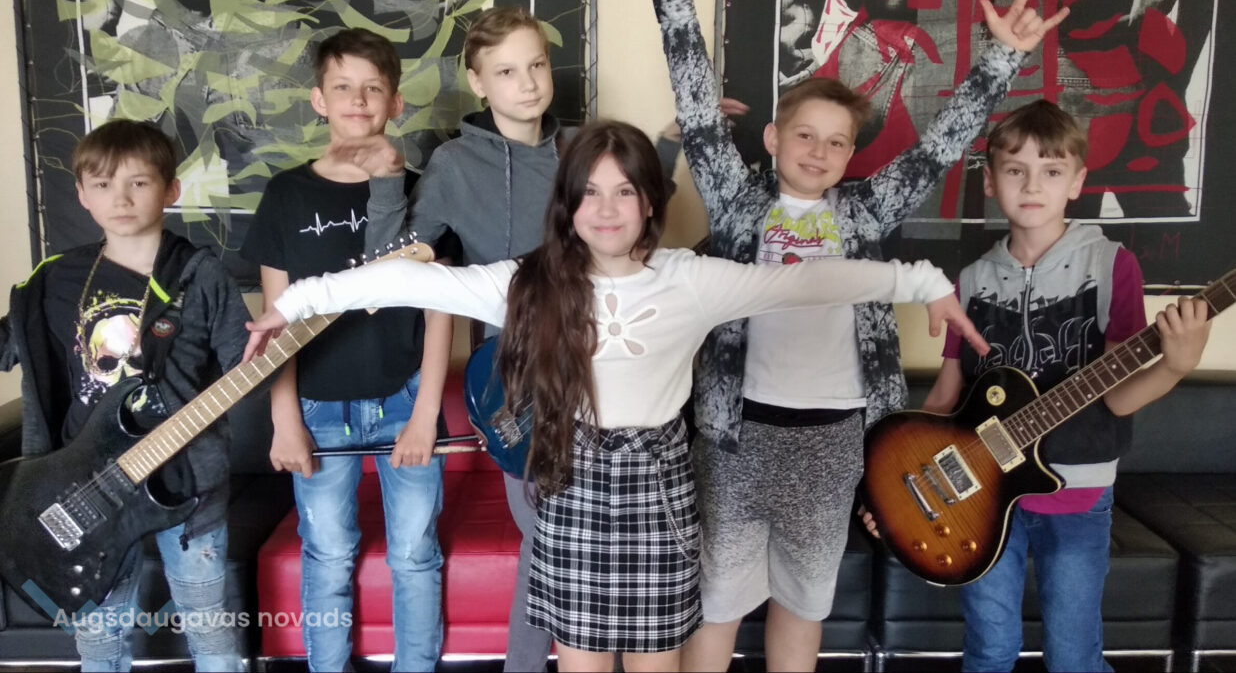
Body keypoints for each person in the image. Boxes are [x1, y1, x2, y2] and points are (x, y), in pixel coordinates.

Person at [244, 119, 989, 672]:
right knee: (583, 663)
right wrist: (297, 302)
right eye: (591, 192)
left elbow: (809, 282)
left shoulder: (691, 280)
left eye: (625, 190)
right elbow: (414, 280)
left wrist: (923, 282)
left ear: (650, 202)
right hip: (571, 485)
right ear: (569, 204)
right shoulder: (528, 281)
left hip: (660, 491)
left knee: (655, 664)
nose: (607, 208)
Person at [641, 0, 1069, 669]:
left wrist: (1001, 59)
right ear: (771, 138)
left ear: (850, 154)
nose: (818, 151)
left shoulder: (866, 212)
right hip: (736, 436)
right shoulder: (738, 203)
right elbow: (700, 118)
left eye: (836, 142)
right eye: (804, 135)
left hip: (836, 438)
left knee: (804, 606)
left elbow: (937, 149)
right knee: (716, 604)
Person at [361, 4, 699, 673]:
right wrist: (386, 182)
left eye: (537, 65)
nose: (528, 83)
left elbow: (633, 216)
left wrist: (666, 145)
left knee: (588, 558)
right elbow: (392, 266)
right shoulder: (455, 164)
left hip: (612, 374)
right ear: (478, 82)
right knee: (547, 545)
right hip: (521, 385)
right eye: (508, 71)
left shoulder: (582, 149)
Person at [916, 99, 1210, 671]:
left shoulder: (1112, 265)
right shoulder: (969, 281)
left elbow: (1116, 395)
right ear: (991, 181)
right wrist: (906, 480)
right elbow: (947, 395)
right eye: (1015, 169)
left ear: (1076, 182)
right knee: (989, 649)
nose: (1032, 185)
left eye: (1051, 171)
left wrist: (1173, 366)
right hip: (979, 493)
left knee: (1073, 656)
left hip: (1077, 492)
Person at [0, 119, 250, 671]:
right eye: (103, 184)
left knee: (207, 625)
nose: (121, 198)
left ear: (171, 190)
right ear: (82, 194)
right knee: (99, 636)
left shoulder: (199, 274)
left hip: (185, 478)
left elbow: (245, 362)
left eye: (138, 182)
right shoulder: (54, 279)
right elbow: (10, 348)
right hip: (80, 481)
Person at [239, 28, 451, 672]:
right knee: (327, 553)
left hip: (404, 397)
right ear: (319, 101)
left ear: (395, 103)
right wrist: (285, 420)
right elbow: (274, 321)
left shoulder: (419, 191)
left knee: (414, 554)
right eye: (342, 87)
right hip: (317, 407)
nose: (358, 100)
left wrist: (426, 414)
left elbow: (441, 309)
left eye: (373, 88)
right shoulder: (285, 195)